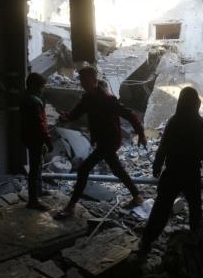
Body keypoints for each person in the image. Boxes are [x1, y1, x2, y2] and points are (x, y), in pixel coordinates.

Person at [54, 66, 147, 219]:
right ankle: (137, 196)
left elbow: (130, 114)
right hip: (102, 140)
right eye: (81, 80)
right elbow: (75, 114)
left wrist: (141, 134)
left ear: (94, 80)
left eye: (85, 80)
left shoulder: (107, 99)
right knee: (116, 169)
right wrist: (65, 117)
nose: (83, 83)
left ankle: (70, 207)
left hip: (110, 140)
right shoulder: (87, 98)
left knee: (83, 170)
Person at [138, 86, 203, 255]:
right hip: (191, 173)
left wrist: (157, 165)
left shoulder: (174, 121)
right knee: (195, 210)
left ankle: (145, 243)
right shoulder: (201, 124)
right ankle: (199, 246)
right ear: (196, 103)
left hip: (172, 172)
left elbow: (163, 146)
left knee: (160, 210)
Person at [19, 72, 53, 211]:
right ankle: (33, 200)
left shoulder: (26, 98)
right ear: (35, 86)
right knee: (35, 168)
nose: (42, 89)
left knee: (38, 165)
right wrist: (48, 141)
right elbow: (40, 124)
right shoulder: (34, 101)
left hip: (29, 136)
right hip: (35, 138)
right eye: (41, 86)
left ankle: (38, 191)